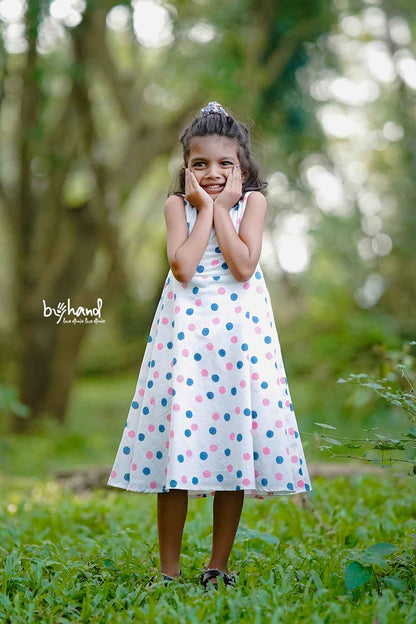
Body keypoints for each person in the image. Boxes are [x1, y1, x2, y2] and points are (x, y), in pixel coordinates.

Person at [107, 101, 312, 590]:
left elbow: (243, 265)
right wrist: (206, 209)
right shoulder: (176, 205)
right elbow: (183, 266)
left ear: (242, 166)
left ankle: (218, 565)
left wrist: (222, 209)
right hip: (186, 337)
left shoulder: (255, 203)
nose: (214, 172)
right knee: (179, 445)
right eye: (201, 164)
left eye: (225, 164)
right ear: (186, 168)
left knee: (233, 447)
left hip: (240, 339)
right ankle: (168, 570)